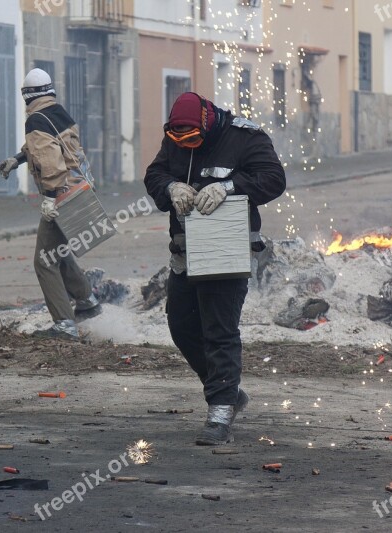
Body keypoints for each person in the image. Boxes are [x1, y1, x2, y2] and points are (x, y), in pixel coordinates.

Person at [144, 92, 286, 445]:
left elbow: (273, 179)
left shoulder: (246, 137)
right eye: (179, 139)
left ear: (207, 124)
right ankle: (228, 390)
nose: (185, 144)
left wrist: (231, 187)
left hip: (230, 249)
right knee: (181, 325)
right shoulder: (176, 136)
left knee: (219, 329)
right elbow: (154, 174)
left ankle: (220, 413)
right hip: (186, 252)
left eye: (192, 138)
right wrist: (170, 185)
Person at [0, 68, 101, 338]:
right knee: (58, 251)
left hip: (61, 195)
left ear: (27, 95)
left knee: (44, 260)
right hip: (81, 188)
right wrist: (16, 160)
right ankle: (87, 302)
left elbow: (50, 160)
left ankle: (64, 325)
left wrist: (50, 200)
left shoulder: (35, 121)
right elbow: (50, 147)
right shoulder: (58, 113)